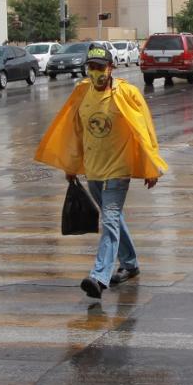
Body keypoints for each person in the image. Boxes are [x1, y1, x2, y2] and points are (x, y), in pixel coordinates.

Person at [35, 42, 167, 299]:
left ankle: (99, 276)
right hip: (93, 170)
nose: (95, 73)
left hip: (119, 169)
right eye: (91, 67)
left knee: (109, 220)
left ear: (111, 68)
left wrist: (152, 166)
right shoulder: (81, 92)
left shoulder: (127, 93)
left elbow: (145, 129)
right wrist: (71, 166)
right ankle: (130, 264)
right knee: (114, 219)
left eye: (100, 67)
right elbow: (74, 131)